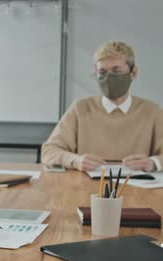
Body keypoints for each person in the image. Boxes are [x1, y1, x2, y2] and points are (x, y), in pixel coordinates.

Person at [41, 40, 163, 171]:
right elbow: (49, 151)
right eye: (102, 72)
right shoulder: (80, 108)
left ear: (133, 73)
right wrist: (75, 160)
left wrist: (153, 163)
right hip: (85, 188)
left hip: (138, 189)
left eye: (116, 71)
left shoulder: (152, 111)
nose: (109, 78)